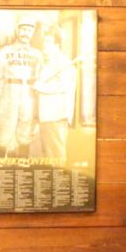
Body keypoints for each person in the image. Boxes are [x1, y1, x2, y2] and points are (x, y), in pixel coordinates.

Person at [0, 14, 43, 157]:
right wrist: (2, 92)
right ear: (17, 30)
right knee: (4, 124)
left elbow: (40, 75)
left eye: (29, 30)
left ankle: (23, 162)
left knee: (26, 124)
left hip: (28, 92)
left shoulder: (37, 54)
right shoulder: (5, 51)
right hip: (10, 90)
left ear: (33, 33)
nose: (25, 33)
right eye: (23, 29)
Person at [34, 26, 77, 162]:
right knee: (49, 157)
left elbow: (63, 86)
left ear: (57, 44)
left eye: (48, 41)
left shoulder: (63, 63)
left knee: (56, 158)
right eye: (44, 41)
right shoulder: (48, 63)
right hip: (46, 117)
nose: (44, 45)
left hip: (55, 117)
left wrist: (40, 86)